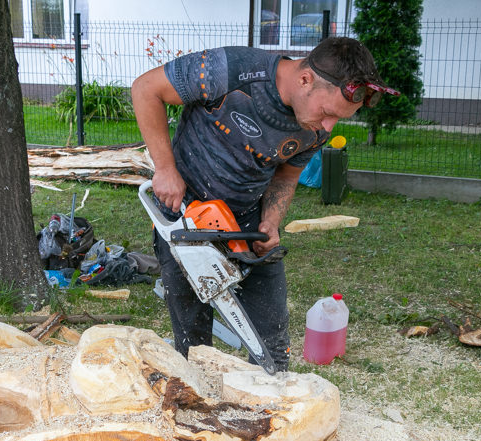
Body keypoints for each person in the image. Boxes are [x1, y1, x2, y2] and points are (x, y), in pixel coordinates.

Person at [131, 37, 396, 371]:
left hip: (246, 219)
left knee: (272, 338)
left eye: (338, 119)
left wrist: (270, 222)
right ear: (305, 80)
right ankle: (195, 399)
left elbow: (286, 176)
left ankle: (275, 399)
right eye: (328, 114)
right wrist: (166, 169)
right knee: (192, 339)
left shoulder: (314, 128)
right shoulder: (228, 70)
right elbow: (145, 89)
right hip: (184, 213)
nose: (329, 127)